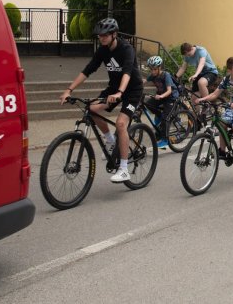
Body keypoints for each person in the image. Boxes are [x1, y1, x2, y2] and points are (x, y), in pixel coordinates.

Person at [60, 18, 143, 183]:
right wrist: (69, 90)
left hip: (132, 90)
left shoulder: (126, 49)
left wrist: (120, 92)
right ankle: (111, 141)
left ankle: (124, 169)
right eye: (99, 36)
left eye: (105, 35)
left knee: (120, 124)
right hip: (113, 88)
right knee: (91, 109)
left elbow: (127, 71)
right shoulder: (103, 50)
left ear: (114, 34)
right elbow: (88, 70)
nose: (101, 38)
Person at [195, 57, 233, 165]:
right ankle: (222, 151)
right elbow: (215, 94)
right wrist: (202, 99)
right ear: (229, 70)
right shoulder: (226, 79)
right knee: (221, 123)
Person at [143, 56, 178, 149]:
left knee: (165, 118)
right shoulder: (152, 75)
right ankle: (160, 118)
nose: (153, 71)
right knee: (149, 104)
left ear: (159, 68)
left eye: (154, 69)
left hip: (171, 97)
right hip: (161, 95)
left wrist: (161, 96)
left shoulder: (165, 75)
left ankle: (165, 140)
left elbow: (169, 90)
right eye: (151, 69)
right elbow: (144, 82)